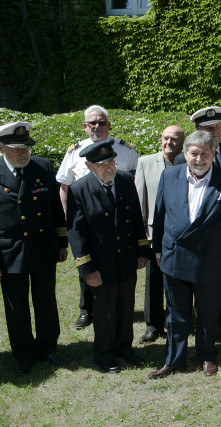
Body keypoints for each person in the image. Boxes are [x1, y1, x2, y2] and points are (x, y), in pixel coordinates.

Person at [149, 130, 221, 379]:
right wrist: (158, 250)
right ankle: (175, 359)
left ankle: (206, 356)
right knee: (176, 313)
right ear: (185, 153)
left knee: (207, 313)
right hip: (175, 256)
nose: (199, 158)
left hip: (210, 259)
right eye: (194, 153)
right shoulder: (169, 176)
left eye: (205, 153)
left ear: (213, 154)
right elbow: (159, 216)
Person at [66, 140, 149, 373]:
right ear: (89, 166)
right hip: (100, 264)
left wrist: (142, 250)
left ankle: (125, 348)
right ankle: (103, 354)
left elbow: (134, 218)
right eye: (101, 164)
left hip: (125, 259)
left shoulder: (124, 180)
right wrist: (87, 269)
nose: (108, 167)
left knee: (126, 305)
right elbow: (76, 233)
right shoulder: (79, 189)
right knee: (104, 311)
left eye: (111, 161)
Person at [56, 105, 138, 330]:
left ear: (109, 125)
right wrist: (68, 219)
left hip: (116, 225)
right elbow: (65, 187)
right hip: (87, 221)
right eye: (92, 123)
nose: (97, 127)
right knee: (88, 270)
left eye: (101, 122)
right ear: (84, 126)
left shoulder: (126, 151)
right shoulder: (74, 152)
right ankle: (86, 310)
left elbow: (132, 190)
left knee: (116, 275)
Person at [0, 122, 68, 375]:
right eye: (16, 149)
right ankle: (23, 354)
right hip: (9, 252)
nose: (23, 153)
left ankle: (48, 347)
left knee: (46, 300)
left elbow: (54, 209)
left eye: (26, 147)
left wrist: (62, 243)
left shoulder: (42, 167)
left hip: (42, 246)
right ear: (2, 148)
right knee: (16, 305)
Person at [174, 106, 221, 340]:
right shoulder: (180, 159)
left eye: (217, 127)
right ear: (196, 131)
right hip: (196, 241)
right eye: (208, 128)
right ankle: (202, 329)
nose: (214, 132)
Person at [134, 125, 184, 344]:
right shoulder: (145, 162)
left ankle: (179, 320)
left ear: (183, 142)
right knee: (154, 280)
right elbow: (139, 199)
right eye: (165, 138)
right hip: (154, 233)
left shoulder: (189, 161)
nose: (168, 143)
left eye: (174, 139)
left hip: (180, 234)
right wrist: (142, 231)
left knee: (179, 280)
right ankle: (153, 325)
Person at [173, 106, 221, 172]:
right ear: (198, 130)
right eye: (209, 128)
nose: (215, 132)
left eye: (218, 126)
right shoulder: (182, 160)